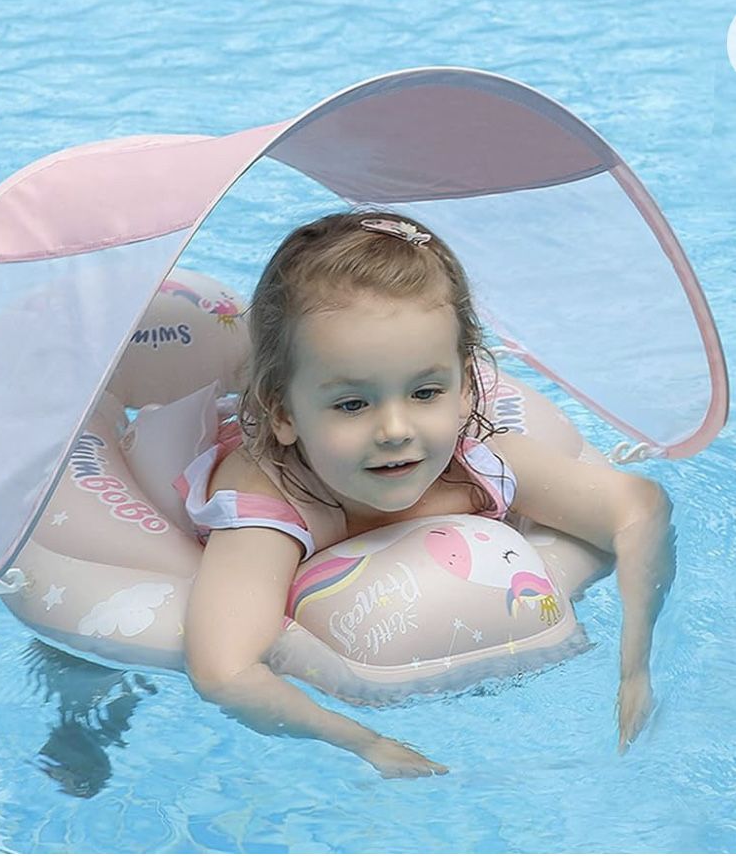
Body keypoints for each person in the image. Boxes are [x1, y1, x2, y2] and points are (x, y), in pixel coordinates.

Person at [178, 210, 675, 778]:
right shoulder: (273, 501)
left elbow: (638, 508)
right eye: (351, 404)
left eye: (425, 391)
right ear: (284, 412)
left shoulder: (471, 459)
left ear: (465, 391)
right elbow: (224, 669)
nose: (395, 429)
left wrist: (635, 664)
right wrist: (366, 744)